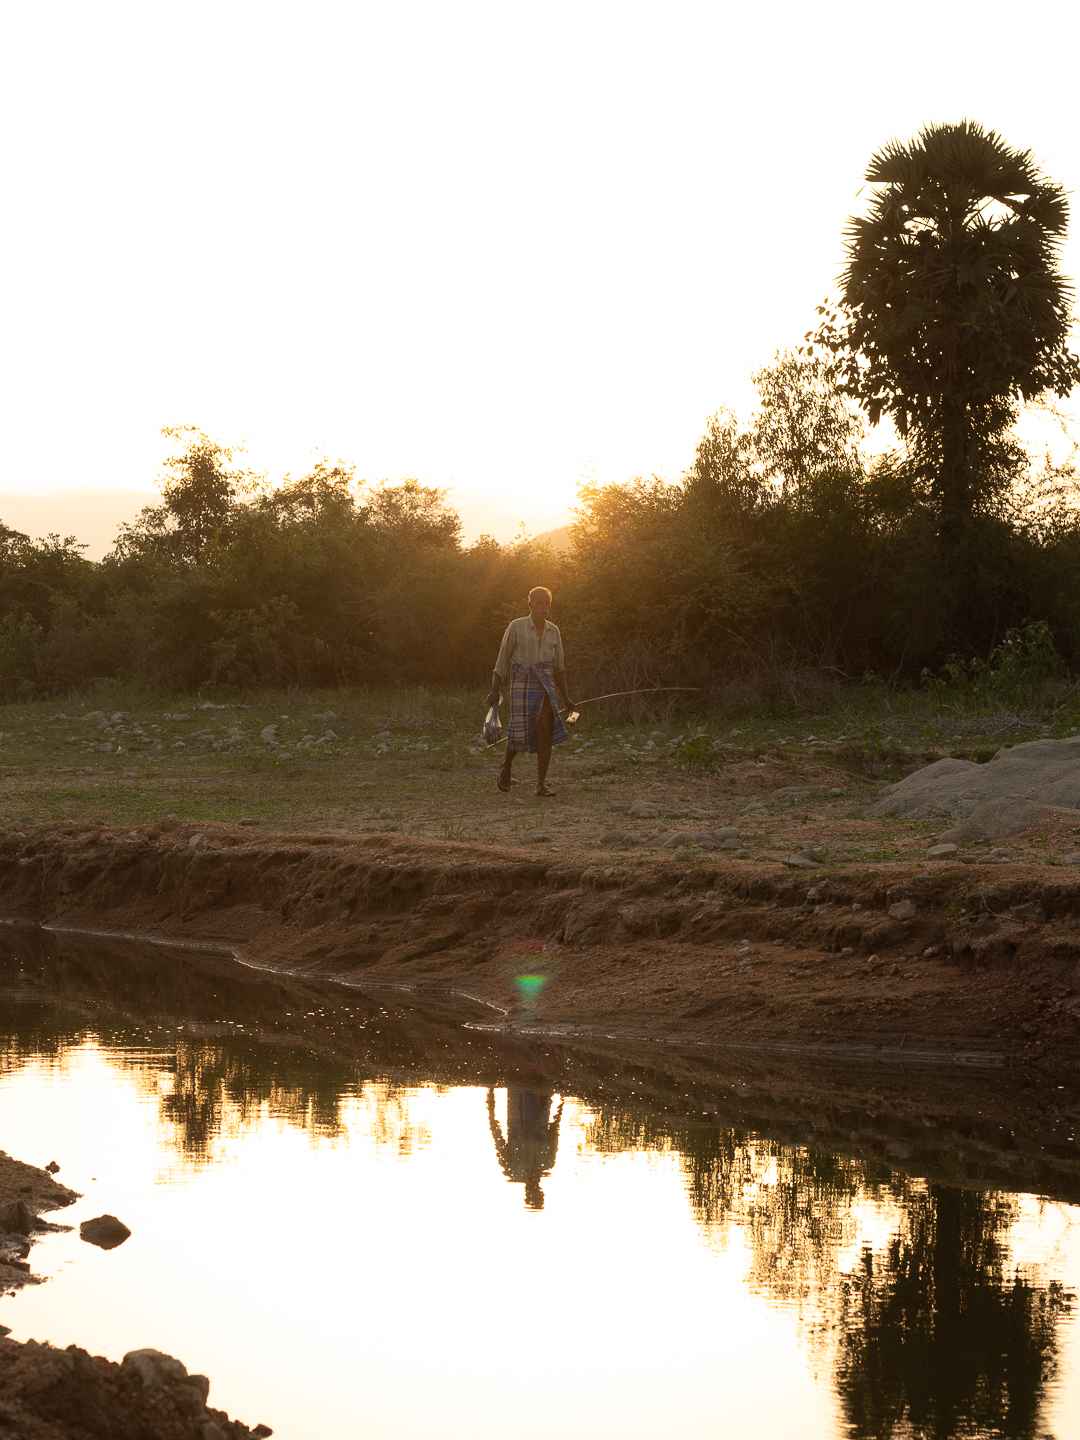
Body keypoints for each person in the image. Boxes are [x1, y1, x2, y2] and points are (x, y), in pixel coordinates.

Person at [487, 586, 572, 797]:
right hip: (521, 682)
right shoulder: (516, 627)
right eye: (539, 603)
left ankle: (541, 784)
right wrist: (494, 690)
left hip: (545, 685)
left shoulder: (554, 631)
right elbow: (502, 659)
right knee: (519, 731)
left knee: (545, 730)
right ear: (530, 604)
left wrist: (566, 698)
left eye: (547, 604)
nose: (543, 607)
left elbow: (559, 668)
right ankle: (506, 767)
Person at [487, 1086, 564, 1210]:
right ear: (541, 1191)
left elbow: (497, 1136)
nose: (534, 1189)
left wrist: (490, 1105)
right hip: (533, 1098)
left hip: (521, 1098)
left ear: (527, 1193)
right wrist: (561, 1102)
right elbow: (555, 1131)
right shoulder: (547, 1163)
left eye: (533, 1194)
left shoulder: (512, 1170)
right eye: (537, 1194)